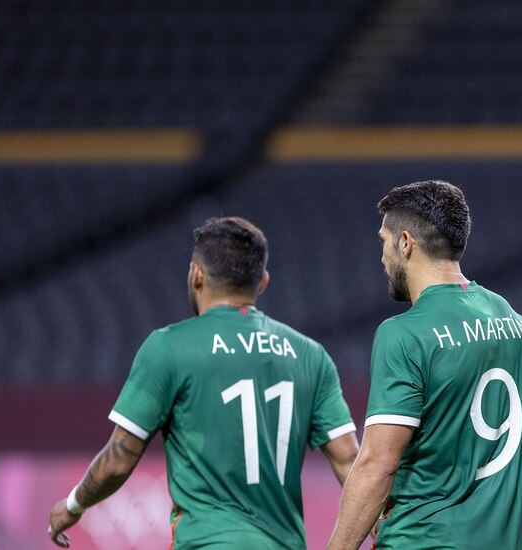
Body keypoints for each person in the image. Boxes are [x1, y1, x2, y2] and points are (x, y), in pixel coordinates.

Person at [47, 216, 360, 549]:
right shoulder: (311, 355)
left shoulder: (169, 346)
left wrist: (72, 506)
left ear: (196, 274)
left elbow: (119, 459)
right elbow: (349, 461)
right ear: (263, 282)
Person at [328, 180, 522, 550]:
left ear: (405, 242)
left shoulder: (404, 334)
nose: (382, 255)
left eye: (384, 241)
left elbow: (377, 465)